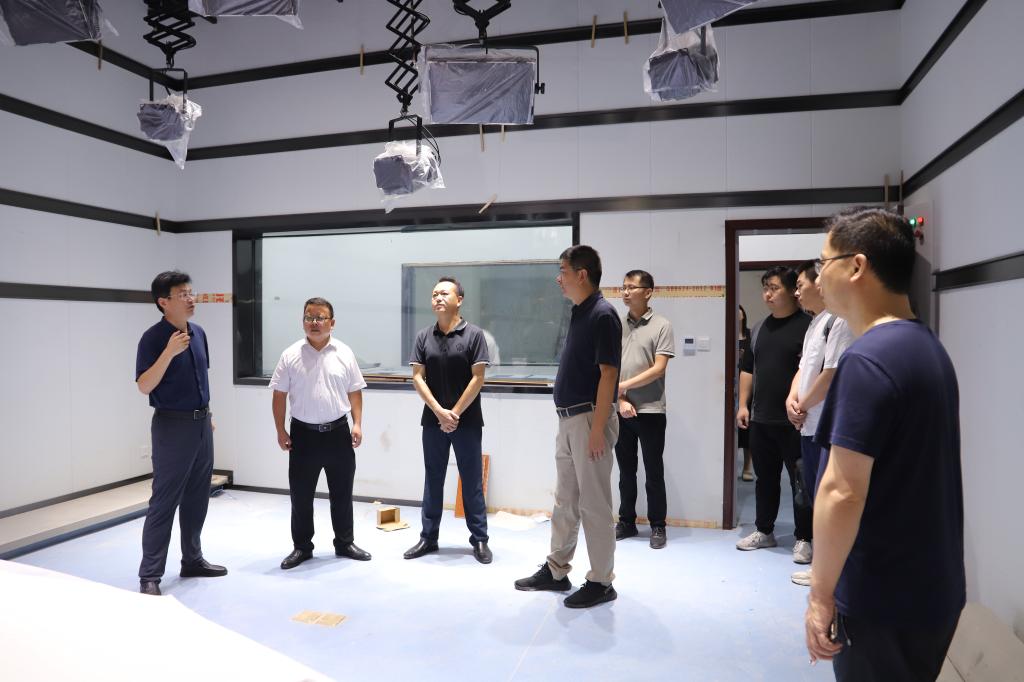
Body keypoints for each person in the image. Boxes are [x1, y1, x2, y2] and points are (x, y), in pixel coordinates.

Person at [804, 208, 964, 680]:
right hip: (928, 588)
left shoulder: (868, 359)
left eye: (823, 263)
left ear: (856, 266)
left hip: (882, 599)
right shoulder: (926, 347)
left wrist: (820, 595)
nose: (818, 276)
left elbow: (843, 491)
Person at [514, 245, 622, 609]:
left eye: (563, 271)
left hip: (589, 420)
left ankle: (602, 581)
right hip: (569, 420)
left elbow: (609, 374)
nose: (558, 278)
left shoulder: (603, 314)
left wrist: (597, 430)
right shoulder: (580, 312)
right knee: (566, 501)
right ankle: (557, 570)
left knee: (594, 505)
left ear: (582, 274)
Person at [135, 270, 226, 596]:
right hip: (172, 425)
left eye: (191, 292)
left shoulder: (199, 333)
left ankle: (193, 559)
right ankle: (150, 575)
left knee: (198, 497)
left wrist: (207, 414)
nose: (191, 299)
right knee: (164, 500)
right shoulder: (153, 338)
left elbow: (201, 378)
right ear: (164, 302)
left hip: (201, 424)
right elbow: (144, 385)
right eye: (183, 294)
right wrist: (169, 353)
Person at [270, 297, 370, 569]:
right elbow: (279, 395)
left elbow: (354, 391)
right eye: (309, 317)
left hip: (338, 433)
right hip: (303, 436)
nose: (314, 322)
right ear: (303, 321)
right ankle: (302, 547)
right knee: (301, 496)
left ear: (332, 322)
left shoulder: (344, 353)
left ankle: (345, 543)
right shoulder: (290, 354)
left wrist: (357, 423)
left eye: (320, 317)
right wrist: (280, 430)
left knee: (342, 493)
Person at [403, 277, 492, 564]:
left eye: (444, 293)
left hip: (467, 421)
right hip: (433, 422)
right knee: (433, 478)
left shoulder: (474, 335)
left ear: (459, 300)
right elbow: (418, 377)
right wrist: (439, 412)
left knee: (471, 480)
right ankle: (428, 537)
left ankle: (479, 539)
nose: (438, 298)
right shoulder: (423, 337)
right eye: (434, 294)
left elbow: (478, 378)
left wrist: (454, 412)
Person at [735, 266, 812, 563]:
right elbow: (747, 370)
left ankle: (804, 538)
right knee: (765, 479)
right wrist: (743, 405)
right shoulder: (759, 329)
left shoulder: (809, 328)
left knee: (800, 482)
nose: (767, 294)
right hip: (762, 418)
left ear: (793, 290)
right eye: (765, 288)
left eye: (774, 288)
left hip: (797, 421)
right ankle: (764, 531)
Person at [786, 260, 853, 586]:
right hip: (807, 423)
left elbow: (831, 374)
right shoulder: (815, 323)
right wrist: (792, 399)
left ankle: (830, 572)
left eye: (800, 285)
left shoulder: (839, 321)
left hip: (825, 426)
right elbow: (804, 369)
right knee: (814, 496)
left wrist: (803, 405)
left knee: (828, 502)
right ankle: (825, 568)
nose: (797, 292)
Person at [613, 269, 675, 549]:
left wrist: (622, 386)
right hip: (621, 408)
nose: (625, 292)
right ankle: (626, 521)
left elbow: (659, 369)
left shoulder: (662, 325)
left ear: (648, 292)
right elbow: (608, 367)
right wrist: (621, 399)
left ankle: (658, 525)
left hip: (651, 410)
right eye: (623, 287)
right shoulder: (616, 324)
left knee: (653, 471)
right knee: (626, 471)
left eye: (632, 287)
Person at [737, 305, 753, 482]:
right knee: (733, 430)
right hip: (731, 388)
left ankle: (748, 466)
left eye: (739, 310)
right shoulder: (727, 334)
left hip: (748, 387)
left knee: (748, 430)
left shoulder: (750, 335)